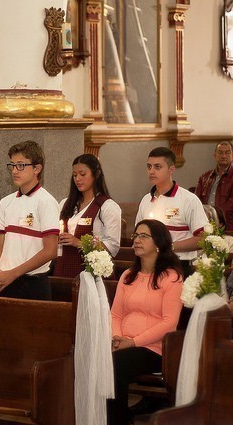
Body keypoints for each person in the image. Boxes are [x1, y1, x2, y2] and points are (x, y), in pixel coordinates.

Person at [108, 219, 183, 425]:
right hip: (123, 343)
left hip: (155, 349)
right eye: (135, 236)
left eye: (144, 236)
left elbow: (170, 323)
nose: (137, 240)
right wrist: (117, 338)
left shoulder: (172, 278)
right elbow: (116, 314)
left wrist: (132, 342)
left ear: (158, 242)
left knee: (115, 363)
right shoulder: (128, 276)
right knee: (95, 357)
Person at [0, 141, 59, 300]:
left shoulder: (46, 201)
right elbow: (0, 244)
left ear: (37, 169)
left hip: (32, 283)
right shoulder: (6, 202)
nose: (14, 171)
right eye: (12, 165)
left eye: (20, 165)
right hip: (4, 280)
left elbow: (50, 251)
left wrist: (13, 273)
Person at [135, 147, 208, 278]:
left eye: (157, 167)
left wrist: (168, 246)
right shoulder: (146, 200)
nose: (151, 171)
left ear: (171, 169)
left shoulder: (188, 200)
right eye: (149, 166)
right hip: (149, 267)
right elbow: (137, 236)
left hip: (179, 266)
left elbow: (203, 239)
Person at [54, 154, 122, 277]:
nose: (77, 179)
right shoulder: (66, 203)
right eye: (75, 175)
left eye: (82, 174)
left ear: (96, 174)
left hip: (90, 271)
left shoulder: (106, 206)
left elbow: (112, 246)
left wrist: (79, 243)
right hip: (63, 264)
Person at [195, 141, 233, 231]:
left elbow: (230, 206)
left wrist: (215, 216)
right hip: (204, 224)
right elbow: (196, 201)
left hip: (227, 227)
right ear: (215, 155)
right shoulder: (204, 177)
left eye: (227, 152)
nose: (223, 156)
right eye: (220, 152)